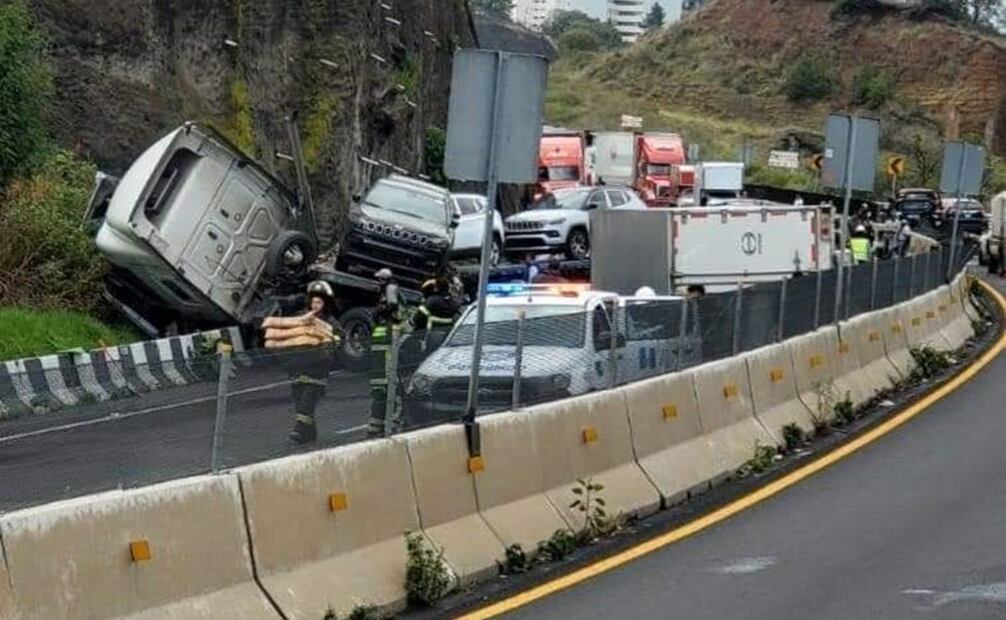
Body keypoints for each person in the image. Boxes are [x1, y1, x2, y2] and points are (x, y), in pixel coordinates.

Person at [268, 280, 339, 445]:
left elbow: (337, 339)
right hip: (297, 370)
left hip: (317, 371)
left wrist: (324, 350)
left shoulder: (330, 322)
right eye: (313, 301)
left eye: (320, 301)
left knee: (307, 402)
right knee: (300, 402)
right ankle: (309, 434)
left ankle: (299, 430)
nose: (316, 305)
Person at [367, 268, 404, 438]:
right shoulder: (387, 290)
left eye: (380, 279)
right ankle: (382, 425)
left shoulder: (390, 288)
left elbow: (393, 306)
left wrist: (383, 311)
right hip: (381, 357)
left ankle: (387, 425)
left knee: (388, 389)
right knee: (383, 390)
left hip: (386, 356)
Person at [412, 278, 458, 351]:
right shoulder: (451, 300)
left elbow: (418, 317)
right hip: (448, 335)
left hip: (431, 335)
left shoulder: (432, 301)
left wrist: (412, 321)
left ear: (436, 288)